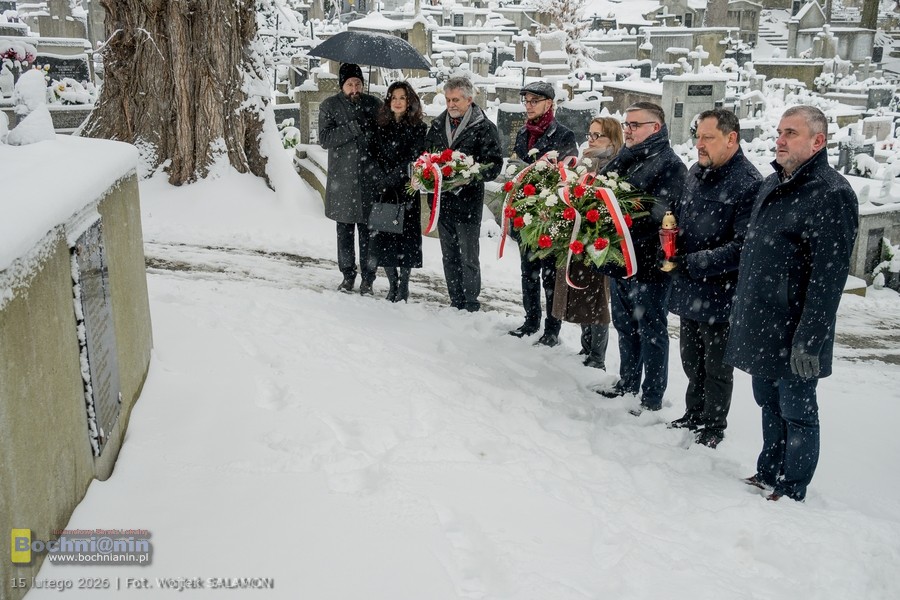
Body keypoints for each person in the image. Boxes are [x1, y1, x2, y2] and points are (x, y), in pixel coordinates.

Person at [725, 105, 858, 501]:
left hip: (795, 326)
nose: (779, 139)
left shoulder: (832, 194)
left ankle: (793, 484)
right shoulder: (772, 182)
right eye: (779, 131)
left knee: (798, 411)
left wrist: (810, 339)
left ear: (818, 141)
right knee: (767, 401)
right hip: (763, 319)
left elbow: (828, 278)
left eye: (791, 133)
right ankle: (768, 471)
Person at [663, 109, 762, 448]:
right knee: (691, 359)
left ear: (731, 138)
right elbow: (681, 213)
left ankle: (713, 425)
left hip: (721, 292)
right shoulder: (697, 171)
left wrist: (696, 261)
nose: (699, 145)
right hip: (691, 286)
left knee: (717, 366)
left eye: (708, 138)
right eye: (698, 137)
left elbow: (743, 247)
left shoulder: (748, 183)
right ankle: (694, 413)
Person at [595, 102, 688, 414]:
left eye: (635, 125)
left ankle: (652, 396)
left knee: (651, 329)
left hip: (648, 263)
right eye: (626, 125)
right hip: (621, 257)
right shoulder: (631, 156)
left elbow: (663, 213)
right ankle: (628, 382)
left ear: (655, 128)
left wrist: (623, 215)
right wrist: (624, 154)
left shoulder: (670, 165)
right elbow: (604, 181)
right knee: (624, 324)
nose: (628, 130)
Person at [423, 76, 503, 312]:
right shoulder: (438, 126)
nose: (451, 104)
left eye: (456, 99)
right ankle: (454, 299)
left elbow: (494, 165)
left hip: (468, 202)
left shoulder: (484, 128)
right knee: (449, 255)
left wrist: (470, 172)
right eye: (448, 100)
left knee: (468, 256)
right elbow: (427, 156)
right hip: (443, 201)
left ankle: (470, 302)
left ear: (470, 99)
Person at [507, 81, 578, 346]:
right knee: (528, 273)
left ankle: (551, 329)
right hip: (525, 213)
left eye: (534, 101)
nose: (528, 106)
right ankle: (530, 320)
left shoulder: (564, 135)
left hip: (549, 216)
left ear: (549, 104)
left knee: (550, 276)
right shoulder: (523, 134)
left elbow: (568, 173)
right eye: (526, 101)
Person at [551, 117, 621, 369]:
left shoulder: (613, 162)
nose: (590, 140)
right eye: (589, 134)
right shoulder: (584, 162)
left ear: (611, 138)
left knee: (598, 302)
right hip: (579, 238)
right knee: (580, 293)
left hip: (599, 241)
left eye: (597, 135)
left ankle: (597, 356)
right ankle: (586, 346)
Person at [319, 63, 384, 295]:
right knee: (344, 232)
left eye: (358, 84)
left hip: (369, 179)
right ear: (342, 86)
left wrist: (373, 127)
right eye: (350, 84)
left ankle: (369, 278)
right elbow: (325, 138)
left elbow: (384, 136)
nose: (355, 88)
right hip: (343, 181)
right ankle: (347, 275)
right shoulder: (329, 106)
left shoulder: (374, 104)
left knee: (369, 233)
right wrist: (354, 127)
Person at [369, 81, 427, 302]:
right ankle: (392, 283)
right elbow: (371, 154)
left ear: (409, 100)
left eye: (402, 97)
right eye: (394, 97)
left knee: (405, 241)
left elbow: (413, 159)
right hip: (382, 191)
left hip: (405, 190)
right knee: (385, 238)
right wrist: (379, 178)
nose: (397, 102)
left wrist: (392, 178)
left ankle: (403, 285)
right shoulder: (379, 125)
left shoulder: (419, 128)